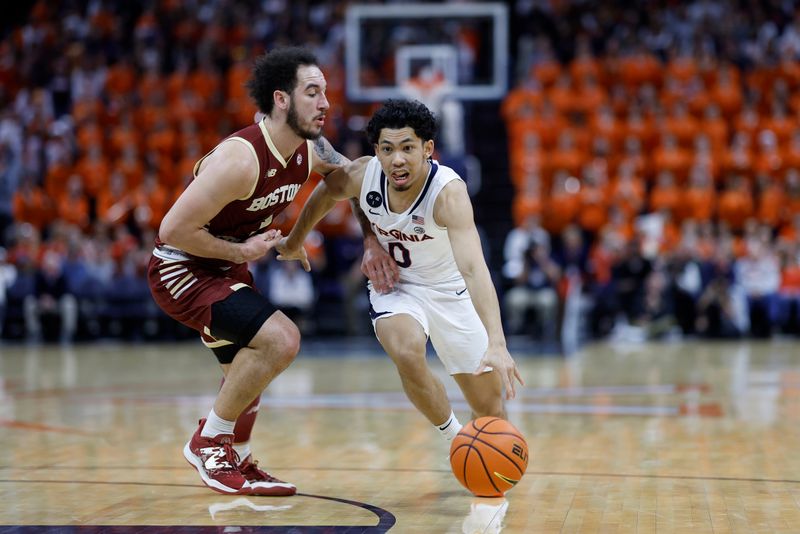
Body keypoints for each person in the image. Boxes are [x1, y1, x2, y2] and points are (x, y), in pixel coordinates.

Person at [147, 46, 395, 496]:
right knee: (281, 340)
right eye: (313, 93)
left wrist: (370, 239)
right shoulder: (240, 159)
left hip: (226, 266)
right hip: (181, 268)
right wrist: (240, 251)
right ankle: (207, 443)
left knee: (248, 371)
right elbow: (172, 229)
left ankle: (233, 456)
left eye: (326, 93)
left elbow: (351, 180)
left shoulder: (311, 149)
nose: (325, 103)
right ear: (281, 99)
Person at [277, 99, 524, 448]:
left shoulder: (448, 193)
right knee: (407, 351)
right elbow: (327, 192)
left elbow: (472, 269)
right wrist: (295, 240)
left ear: (428, 149)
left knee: (491, 411)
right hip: (396, 285)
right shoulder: (365, 174)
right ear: (376, 150)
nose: (397, 160)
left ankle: (487, 460)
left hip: (450, 290)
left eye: (407, 148)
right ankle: (455, 439)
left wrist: (497, 343)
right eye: (388, 149)